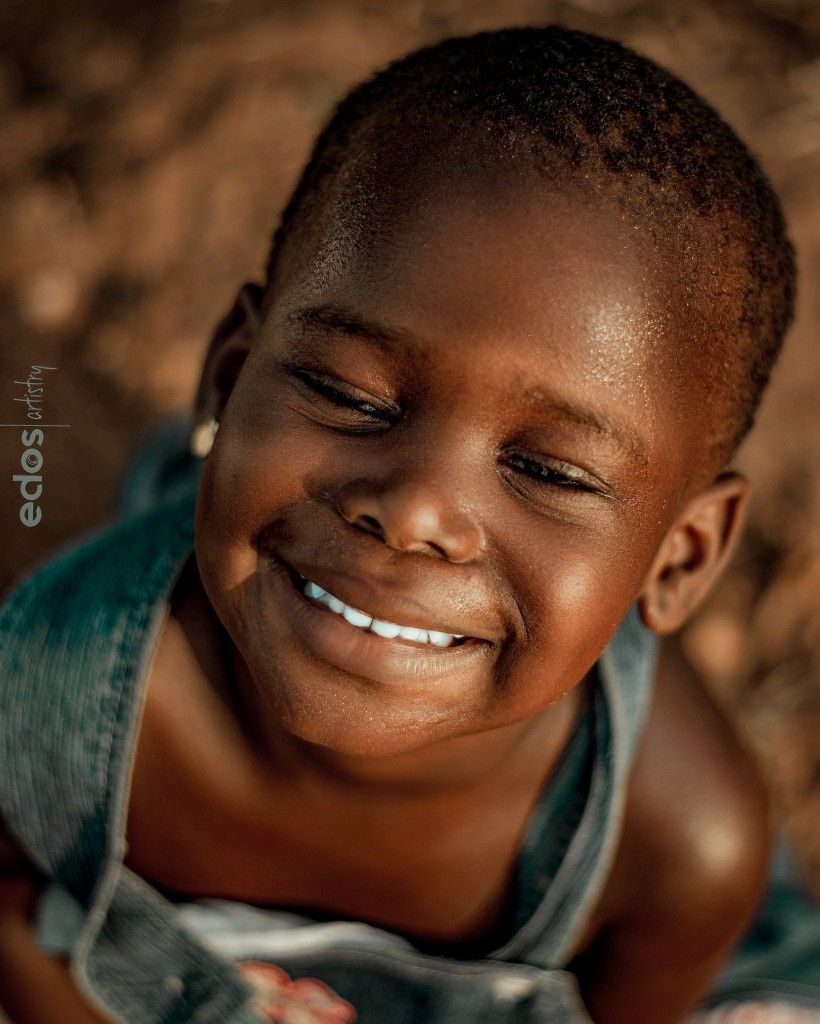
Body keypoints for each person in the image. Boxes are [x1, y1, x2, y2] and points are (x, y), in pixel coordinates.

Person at [0, 24, 817, 1024]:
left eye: (546, 469)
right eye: (346, 393)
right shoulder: (54, 692)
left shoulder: (678, 845)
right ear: (230, 374)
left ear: (681, 558)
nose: (416, 509)